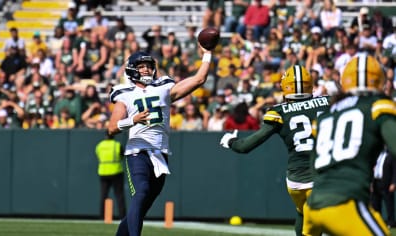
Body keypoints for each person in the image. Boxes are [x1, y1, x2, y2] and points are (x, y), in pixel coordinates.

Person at [107, 43, 213, 236]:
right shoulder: (125, 94)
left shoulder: (163, 87)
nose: (146, 69)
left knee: (141, 207)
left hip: (160, 154)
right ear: (132, 69)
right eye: (141, 66)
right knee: (141, 193)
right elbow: (112, 127)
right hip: (137, 152)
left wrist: (207, 54)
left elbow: (199, 79)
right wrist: (133, 120)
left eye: (148, 65)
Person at [220, 65, 330, 236]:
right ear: (310, 85)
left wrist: (231, 141)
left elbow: (244, 147)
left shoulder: (278, 112)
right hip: (325, 176)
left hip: (296, 181)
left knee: (302, 213)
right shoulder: (328, 103)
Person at [303, 54, 396, 236]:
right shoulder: (378, 106)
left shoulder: (327, 114)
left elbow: (313, 164)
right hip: (345, 201)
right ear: (379, 80)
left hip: (313, 205)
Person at [95, 132, 127, 219]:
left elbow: (98, 156)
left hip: (103, 172)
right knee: (119, 195)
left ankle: (102, 216)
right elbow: (122, 156)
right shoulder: (117, 145)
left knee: (103, 195)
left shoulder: (99, 145)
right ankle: (122, 216)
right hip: (116, 172)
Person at [371, 149, 396, 228]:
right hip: (376, 182)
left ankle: (390, 222)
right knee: (375, 203)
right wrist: (371, 183)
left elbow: (395, 171)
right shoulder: (376, 155)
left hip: (386, 183)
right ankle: (378, 221)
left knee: (389, 204)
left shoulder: (391, 156)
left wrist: (393, 183)